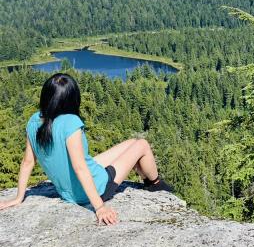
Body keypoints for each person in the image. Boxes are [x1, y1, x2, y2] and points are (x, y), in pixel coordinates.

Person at [0, 73, 172, 225]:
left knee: (131, 143)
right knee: (142, 144)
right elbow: (79, 167)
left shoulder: (34, 121)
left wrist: (18, 197)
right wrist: (100, 207)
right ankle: (155, 184)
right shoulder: (71, 123)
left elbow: (27, 162)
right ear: (72, 99)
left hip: (67, 192)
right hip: (95, 189)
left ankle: (147, 178)